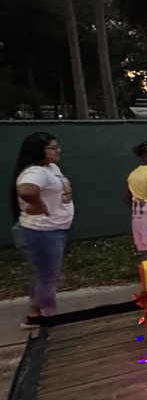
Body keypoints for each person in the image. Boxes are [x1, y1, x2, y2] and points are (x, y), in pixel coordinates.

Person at [11, 133, 74, 329]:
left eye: (58, 147)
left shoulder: (51, 168)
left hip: (52, 230)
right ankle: (48, 318)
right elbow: (27, 191)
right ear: (39, 151)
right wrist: (39, 205)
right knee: (48, 277)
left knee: (43, 274)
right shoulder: (35, 172)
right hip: (41, 232)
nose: (58, 151)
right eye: (53, 148)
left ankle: (33, 315)